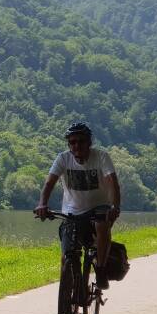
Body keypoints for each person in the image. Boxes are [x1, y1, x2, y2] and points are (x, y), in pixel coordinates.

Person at [34, 122, 121, 289]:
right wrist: (42, 204)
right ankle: (65, 307)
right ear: (69, 145)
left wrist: (115, 206)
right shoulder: (63, 158)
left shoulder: (101, 157)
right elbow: (49, 183)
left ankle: (101, 270)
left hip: (99, 206)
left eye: (81, 141)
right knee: (66, 255)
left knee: (102, 226)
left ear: (89, 143)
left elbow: (113, 183)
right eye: (72, 142)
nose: (77, 146)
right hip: (72, 211)